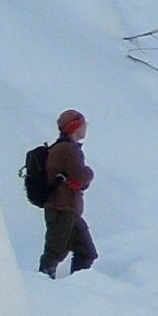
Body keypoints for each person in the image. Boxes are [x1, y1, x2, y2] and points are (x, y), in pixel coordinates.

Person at [25, 108, 98, 278]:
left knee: (85, 252)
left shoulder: (63, 148)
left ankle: (80, 286)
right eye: (83, 124)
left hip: (66, 209)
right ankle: (44, 287)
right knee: (54, 253)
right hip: (61, 209)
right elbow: (81, 176)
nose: (86, 127)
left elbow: (78, 181)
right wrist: (89, 173)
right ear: (75, 127)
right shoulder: (67, 150)